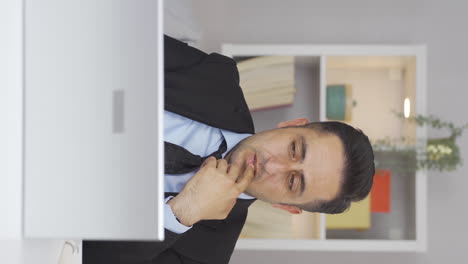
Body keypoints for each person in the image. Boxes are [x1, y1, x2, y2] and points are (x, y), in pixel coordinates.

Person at [83, 35, 375, 264]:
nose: (272, 166)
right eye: (294, 149)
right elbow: (114, 41)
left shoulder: (206, 254)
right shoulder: (215, 77)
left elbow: (82, 258)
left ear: (286, 207)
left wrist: (181, 214)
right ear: (291, 125)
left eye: (292, 181)